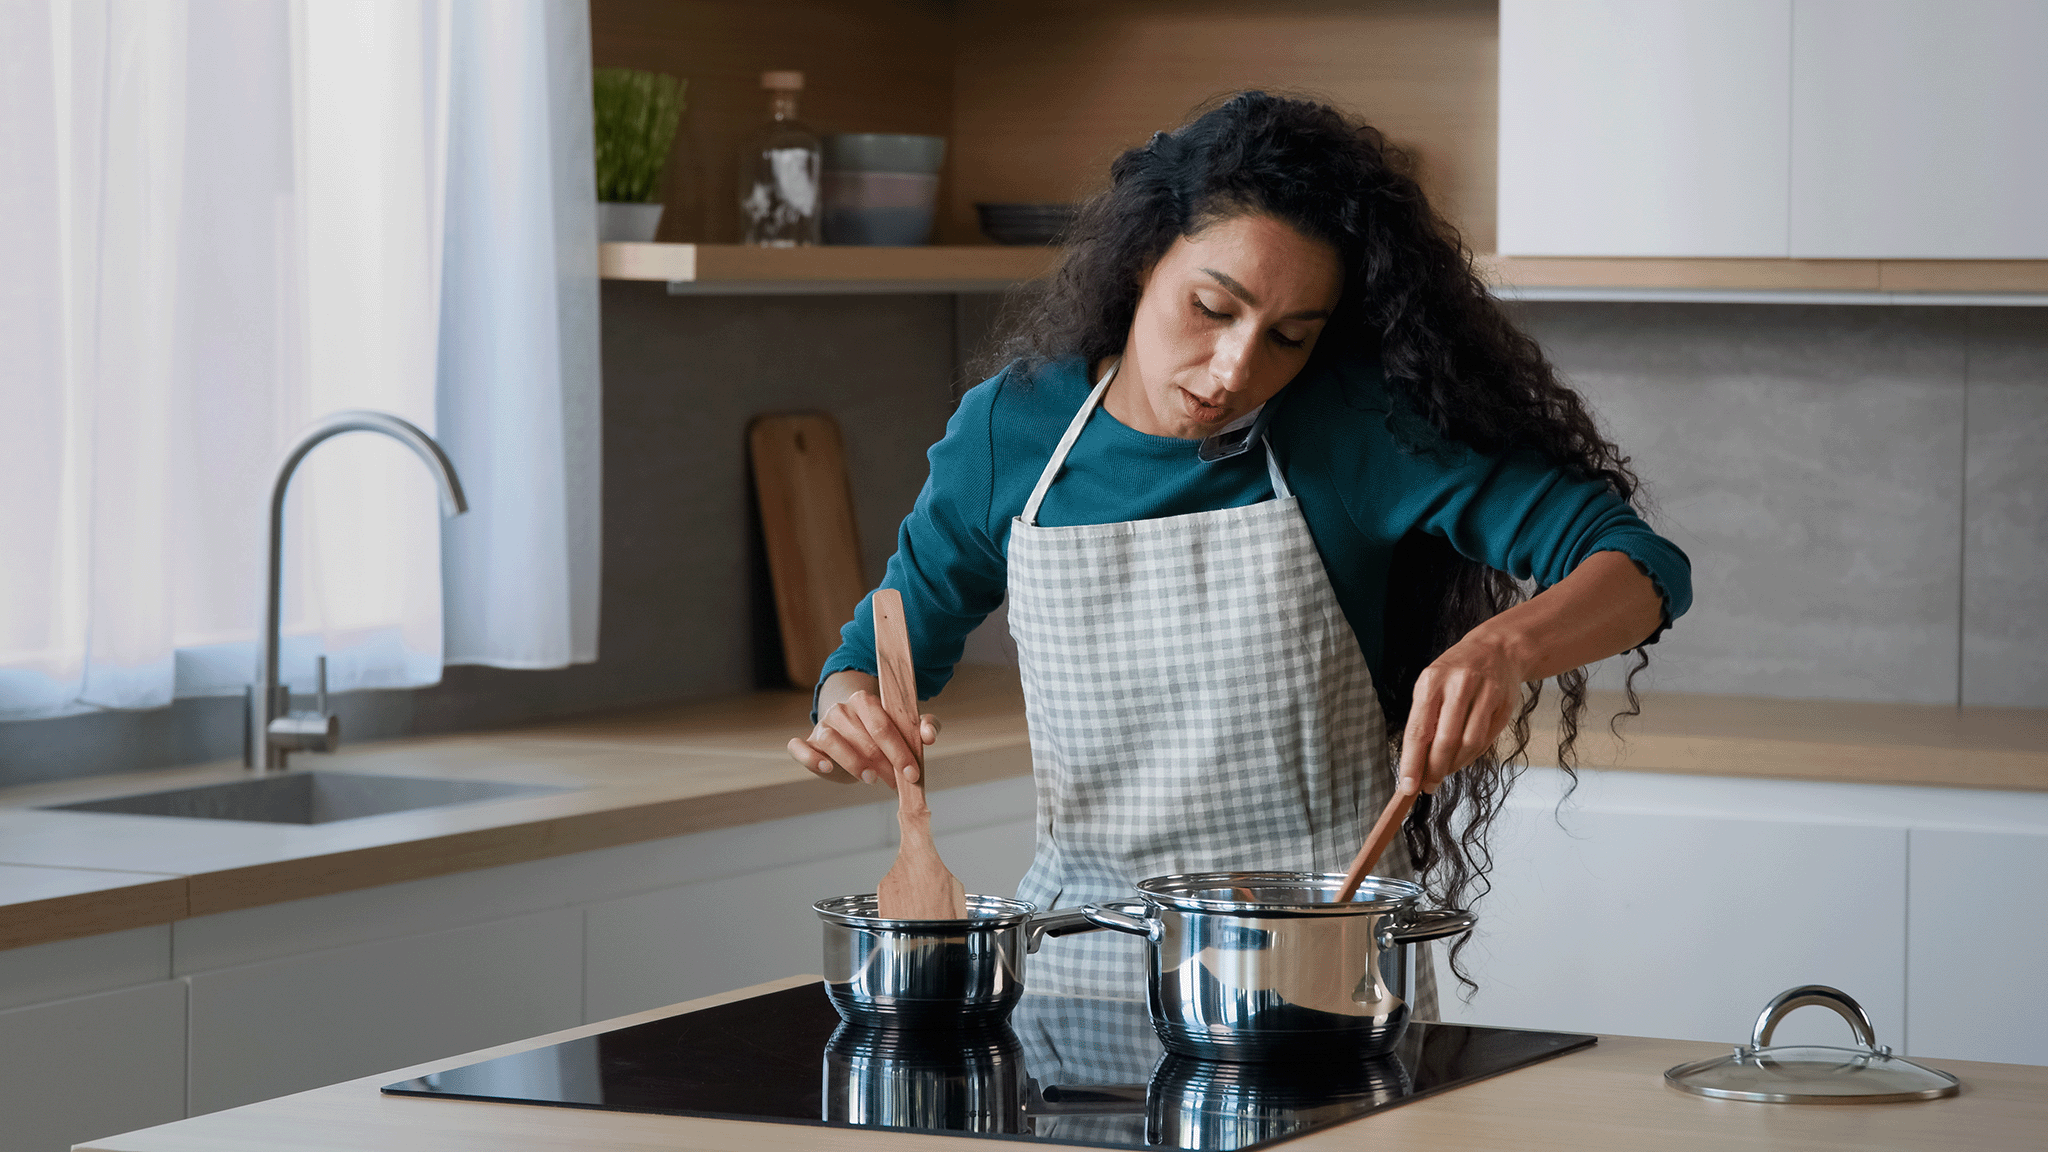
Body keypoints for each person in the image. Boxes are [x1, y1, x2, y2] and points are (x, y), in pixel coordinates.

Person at [785, 93, 1691, 1004]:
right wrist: (853, 704)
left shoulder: (1348, 432)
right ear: (1144, 260)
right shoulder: (1011, 433)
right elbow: (880, 649)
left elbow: (1638, 562)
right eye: (1212, 308)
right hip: (1079, 968)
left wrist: (1507, 646)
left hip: (1313, 979)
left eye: (1288, 338)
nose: (1234, 372)